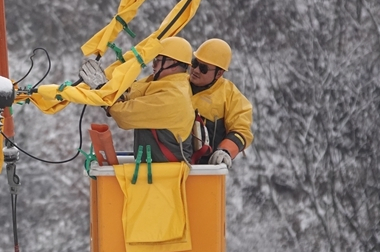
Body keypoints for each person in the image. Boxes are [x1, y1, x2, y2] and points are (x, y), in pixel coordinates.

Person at [80, 37, 195, 162]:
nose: (153, 64)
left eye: (157, 60)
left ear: (173, 64)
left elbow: (124, 115)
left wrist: (102, 88)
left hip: (164, 173)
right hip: (159, 167)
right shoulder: (170, 84)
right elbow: (134, 93)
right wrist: (107, 88)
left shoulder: (173, 96)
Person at [188, 38, 253, 167]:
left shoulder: (230, 95)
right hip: (174, 167)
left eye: (203, 68)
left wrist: (225, 151)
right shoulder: (177, 85)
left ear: (219, 73)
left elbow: (241, 130)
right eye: (194, 63)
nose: (195, 70)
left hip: (206, 171)